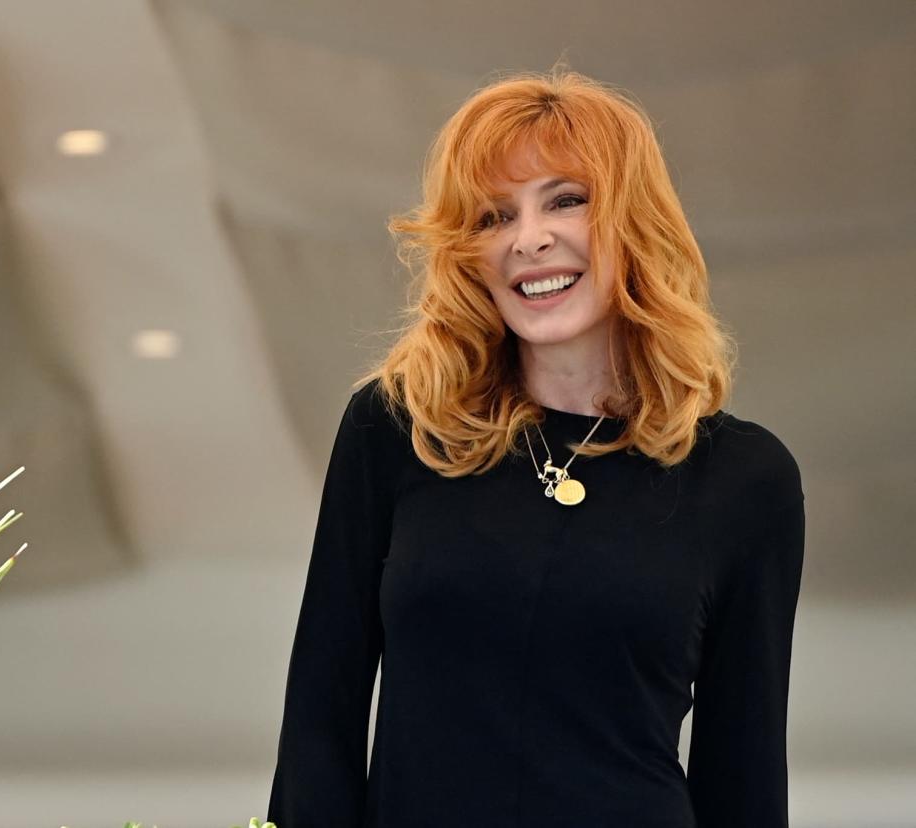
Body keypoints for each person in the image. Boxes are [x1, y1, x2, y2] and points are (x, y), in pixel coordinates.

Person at [265, 67, 805, 828]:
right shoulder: (398, 428)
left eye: (566, 200)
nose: (529, 239)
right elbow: (320, 721)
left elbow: (743, 774)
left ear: (633, 219)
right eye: (492, 217)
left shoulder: (745, 480)